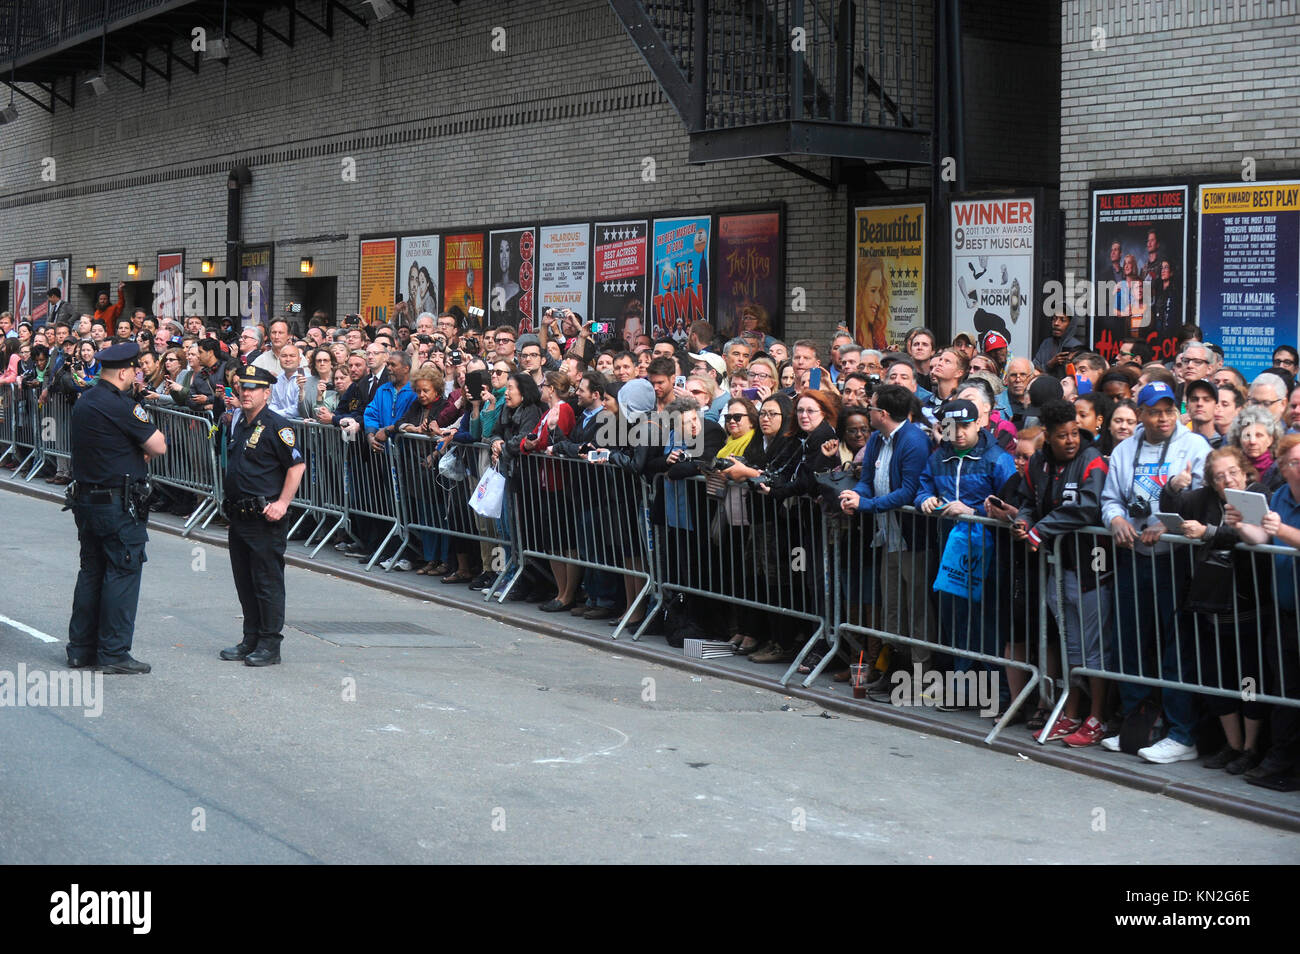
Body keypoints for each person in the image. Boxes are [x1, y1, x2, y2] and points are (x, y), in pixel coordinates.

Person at [1099, 381, 1212, 763]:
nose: (1162, 418)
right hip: (1133, 558)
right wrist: (1115, 519)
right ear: (1141, 414)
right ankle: (1137, 726)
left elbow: (1204, 501)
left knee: (1176, 648)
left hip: (1175, 561)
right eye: (1154, 411)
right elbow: (1110, 499)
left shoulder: (1194, 446)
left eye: (1168, 410)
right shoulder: (1123, 449)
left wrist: (1170, 523)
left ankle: (1181, 734)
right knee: (1130, 641)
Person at [66, 341, 168, 674]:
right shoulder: (120, 404)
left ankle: (81, 649)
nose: (135, 375)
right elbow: (158, 444)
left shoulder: (86, 401)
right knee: (122, 574)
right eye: (133, 371)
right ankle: (113, 652)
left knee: (91, 573)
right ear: (123, 371)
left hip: (86, 501)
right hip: (117, 505)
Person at [218, 365, 306, 667]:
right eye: (242, 387)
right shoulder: (240, 422)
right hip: (240, 515)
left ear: (266, 393)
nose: (245, 392)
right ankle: (250, 637)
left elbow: (296, 466)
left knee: (266, 581)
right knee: (245, 581)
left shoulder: (276, 425)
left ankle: (270, 644)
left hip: (265, 517)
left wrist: (282, 502)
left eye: (252, 388)